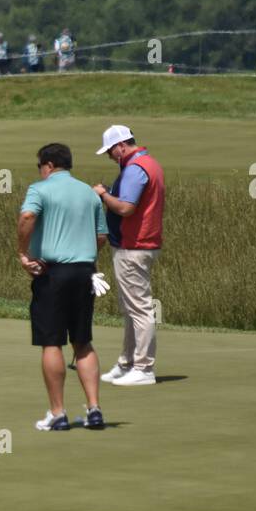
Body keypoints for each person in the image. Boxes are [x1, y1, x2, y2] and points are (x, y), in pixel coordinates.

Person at [18, 142, 110, 431]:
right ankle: (94, 409)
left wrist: (24, 253)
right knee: (82, 341)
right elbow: (101, 237)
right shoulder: (88, 192)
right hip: (85, 273)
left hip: (52, 273)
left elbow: (27, 217)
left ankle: (58, 414)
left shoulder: (39, 189)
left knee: (52, 341)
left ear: (47, 165)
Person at [92, 124, 165, 387]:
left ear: (121, 145)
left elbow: (125, 208)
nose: (110, 156)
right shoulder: (147, 164)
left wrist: (102, 194)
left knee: (140, 309)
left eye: (111, 151)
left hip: (134, 246)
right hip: (137, 244)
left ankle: (144, 367)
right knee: (131, 309)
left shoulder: (135, 169)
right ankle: (127, 363)